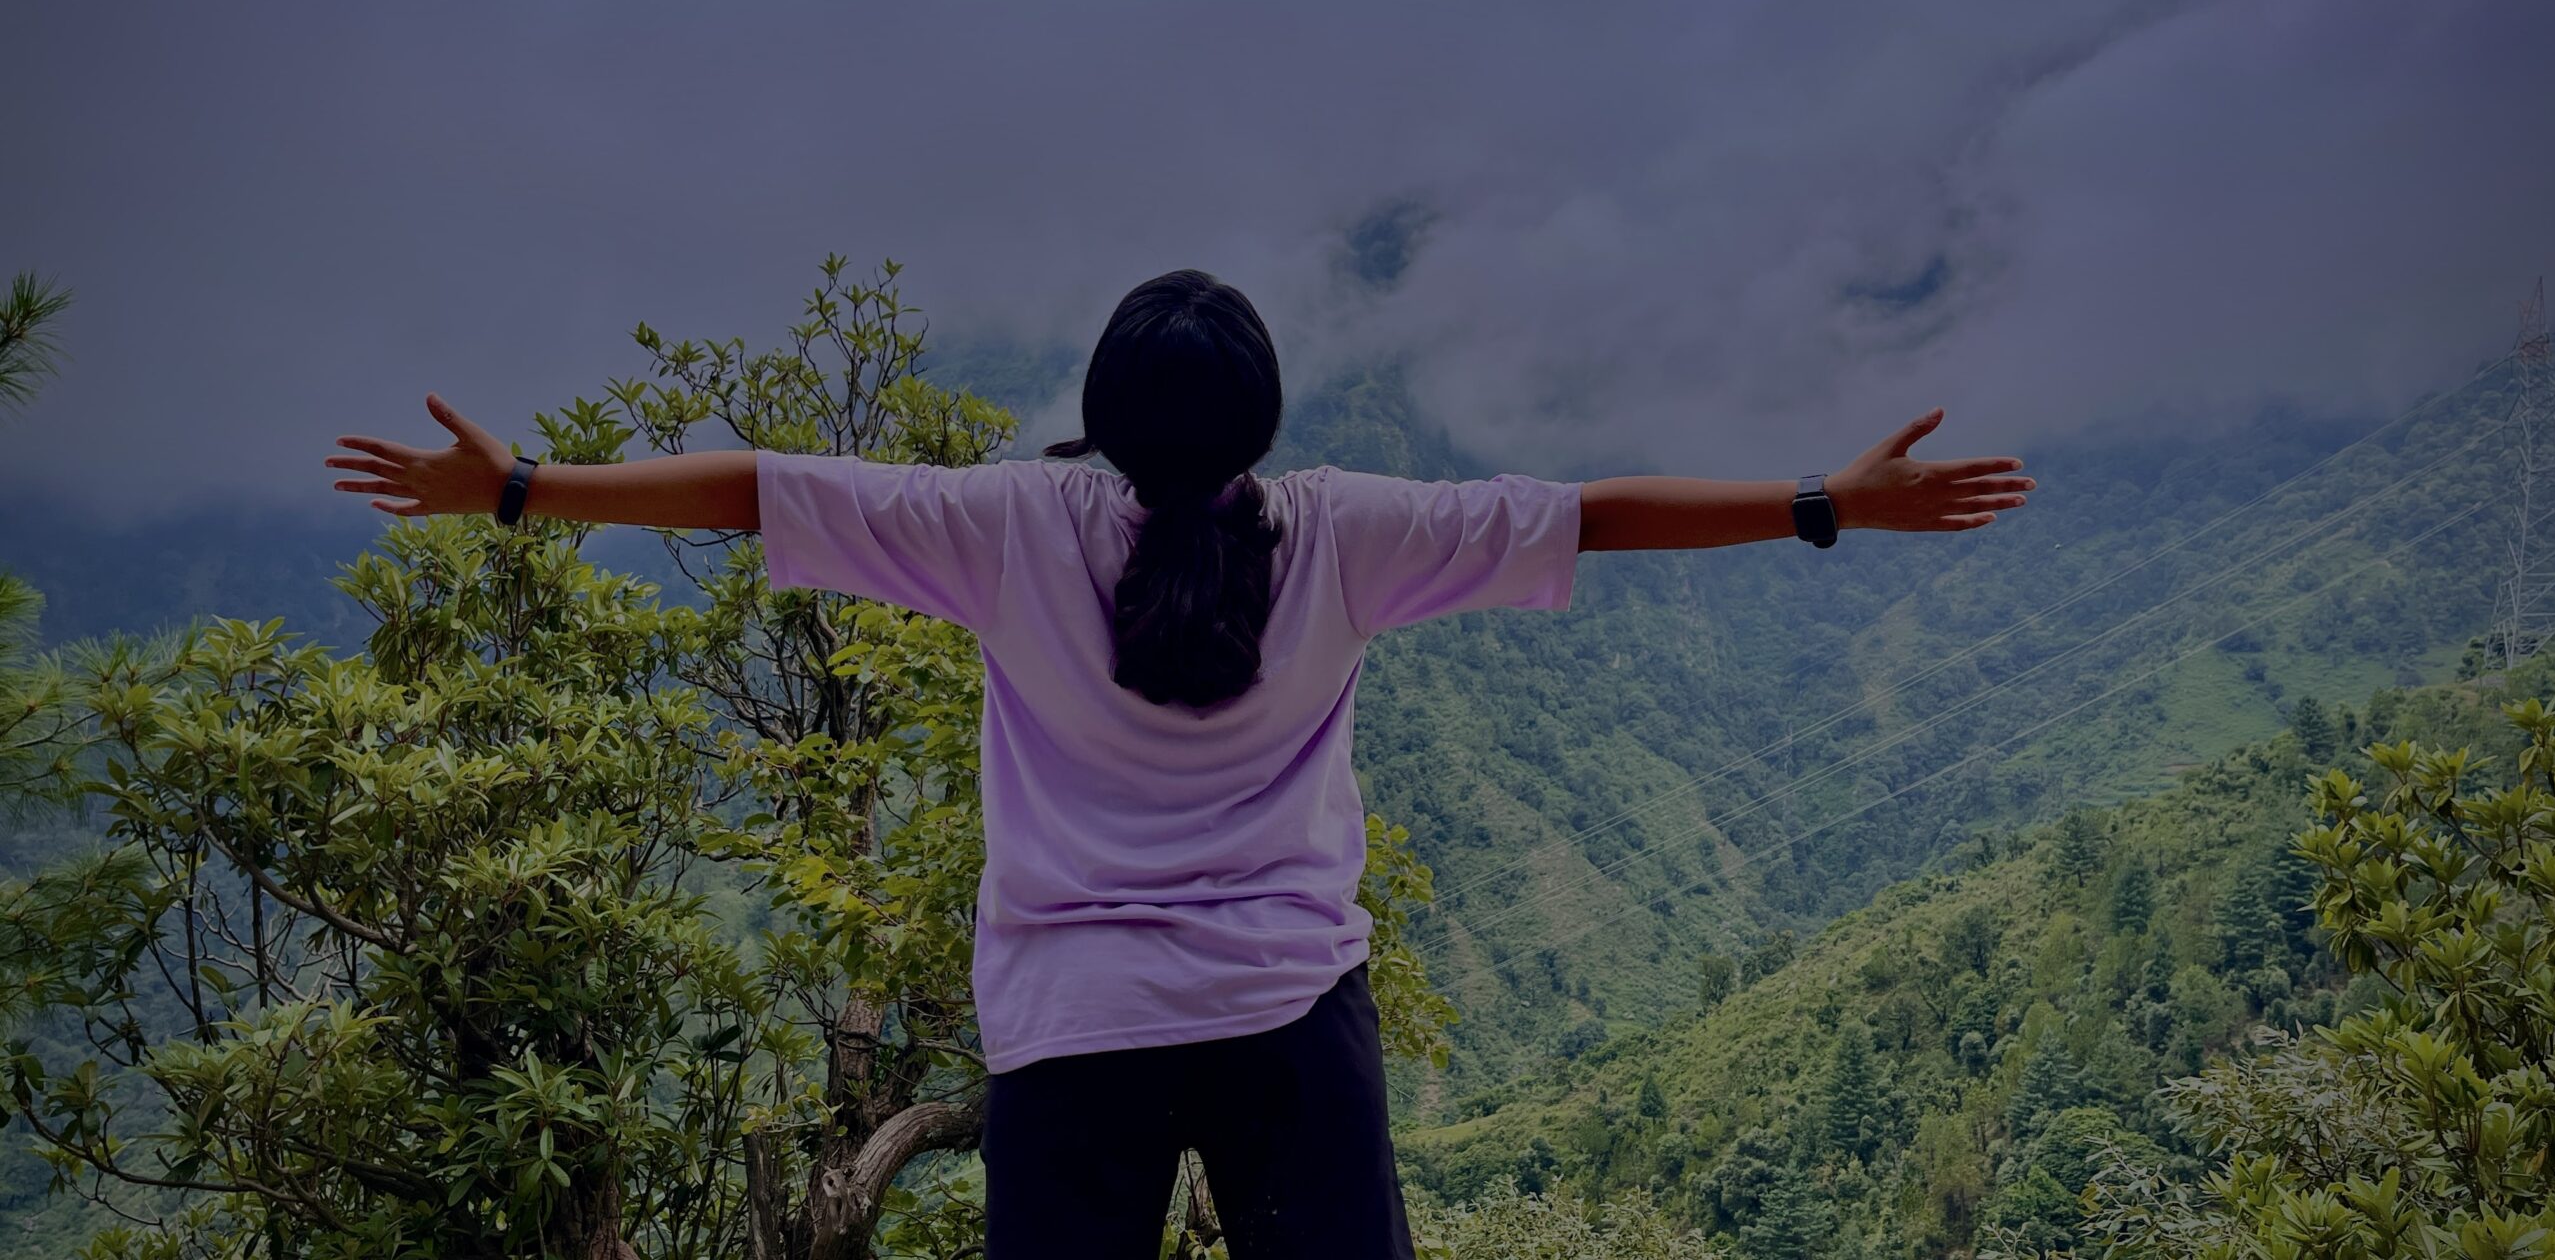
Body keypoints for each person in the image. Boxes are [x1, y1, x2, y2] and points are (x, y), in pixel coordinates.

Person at [327, 268, 2033, 1258]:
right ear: (1265, 425)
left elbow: (760, 485)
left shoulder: (999, 527)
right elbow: (1593, 512)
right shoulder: (1349, 533)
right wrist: (1823, 502)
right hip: (1297, 1014)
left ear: (1100, 408)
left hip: (1076, 1035)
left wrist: (522, 489)